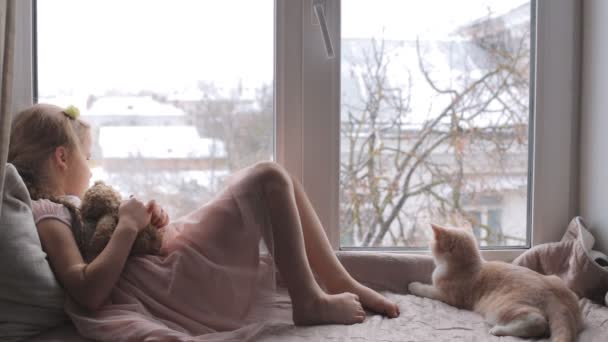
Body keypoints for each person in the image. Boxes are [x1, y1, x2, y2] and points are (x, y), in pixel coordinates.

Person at [8, 103, 399, 339]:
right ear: (62, 158)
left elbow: (106, 242)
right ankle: (308, 300)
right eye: (86, 158)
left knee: (280, 180)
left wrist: (148, 223)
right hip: (167, 283)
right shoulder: (48, 214)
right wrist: (127, 227)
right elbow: (87, 289)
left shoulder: (71, 207)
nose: (90, 170)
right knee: (268, 178)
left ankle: (336, 280)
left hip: (162, 264)